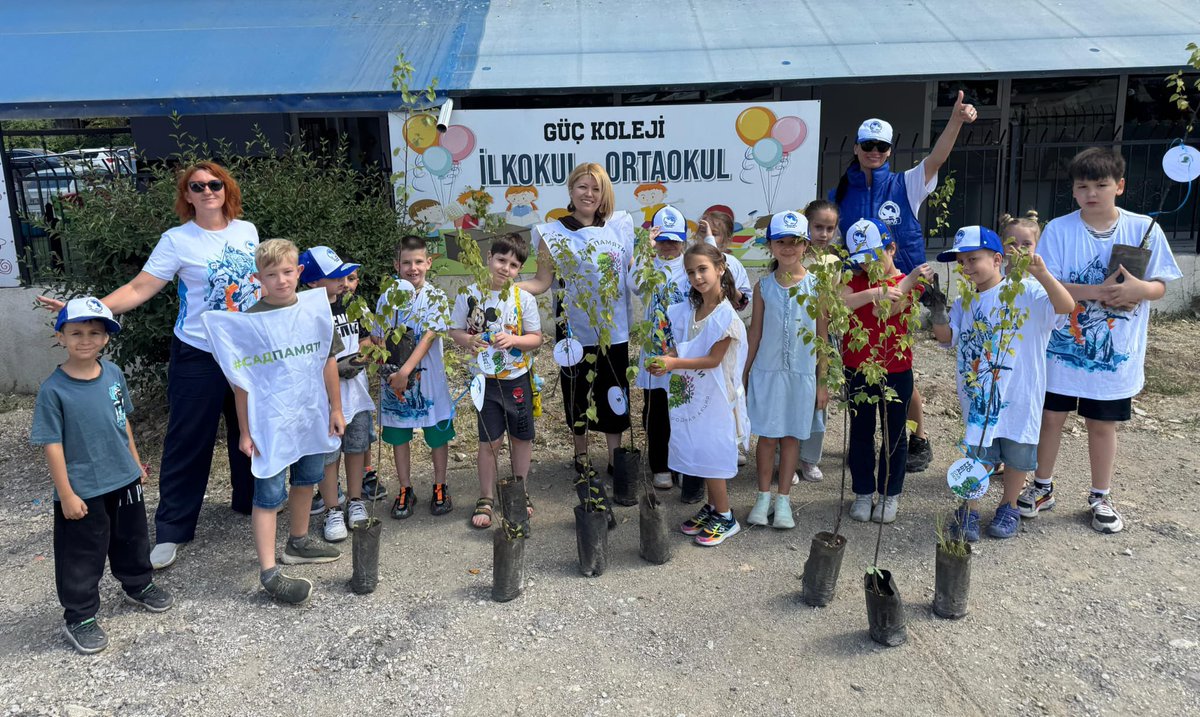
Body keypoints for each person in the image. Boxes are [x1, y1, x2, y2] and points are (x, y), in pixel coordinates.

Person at [37, 162, 261, 570]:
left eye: (215, 184)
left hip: (245, 349)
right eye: (198, 186)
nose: (208, 190)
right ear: (187, 195)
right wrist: (86, 310)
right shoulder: (177, 240)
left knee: (251, 428)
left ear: (226, 189)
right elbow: (140, 287)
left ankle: (250, 503)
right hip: (198, 351)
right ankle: (173, 529)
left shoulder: (247, 231)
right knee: (187, 439)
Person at [1029, 148, 1182, 534]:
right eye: (1083, 186)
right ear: (1074, 191)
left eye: (1101, 185)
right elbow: (1049, 285)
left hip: (1118, 350)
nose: (1092, 193)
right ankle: (1042, 486)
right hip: (1061, 349)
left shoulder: (1144, 227)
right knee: (1050, 418)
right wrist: (1097, 291)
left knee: (1102, 424)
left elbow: (1161, 285)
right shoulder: (1059, 230)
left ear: (1120, 186)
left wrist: (1139, 289)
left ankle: (1100, 495)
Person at [829, 95, 978, 475]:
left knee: (898, 367)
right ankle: (863, 442)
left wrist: (956, 121)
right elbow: (829, 236)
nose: (874, 151)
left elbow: (938, 158)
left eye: (881, 146)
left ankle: (918, 437)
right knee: (861, 364)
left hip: (904, 287)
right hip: (860, 293)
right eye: (868, 145)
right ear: (857, 147)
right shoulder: (841, 193)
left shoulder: (906, 184)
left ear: (890, 150)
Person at [31, 298, 175, 654]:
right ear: (60, 336)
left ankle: (138, 584)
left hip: (123, 478)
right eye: (76, 332)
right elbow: (51, 444)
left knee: (132, 537)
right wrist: (65, 493)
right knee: (82, 552)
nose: (85, 339)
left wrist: (136, 463)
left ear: (107, 338)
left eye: (94, 332)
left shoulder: (112, 374)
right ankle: (79, 615)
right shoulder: (54, 390)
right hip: (83, 488)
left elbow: (121, 420)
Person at [931, 226, 1073, 540]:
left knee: (1017, 453)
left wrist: (1044, 275)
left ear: (997, 259)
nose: (967, 268)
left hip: (1019, 393)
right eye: (961, 262)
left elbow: (1066, 307)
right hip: (979, 397)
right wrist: (937, 310)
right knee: (978, 454)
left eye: (973, 259)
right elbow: (947, 338)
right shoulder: (966, 301)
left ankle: (1008, 506)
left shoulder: (1026, 291)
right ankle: (968, 508)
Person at [232, 239, 344, 605]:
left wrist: (335, 408)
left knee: (307, 478)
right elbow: (242, 382)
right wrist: (245, 431)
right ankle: (269, 572)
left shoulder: (316, 311)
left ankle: (298, 542)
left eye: (287, 272)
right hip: (270, 422)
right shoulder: (250, 321)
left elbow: (329, 362)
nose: (280, 280)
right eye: (271, 274)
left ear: (299, 273)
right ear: (258, 278)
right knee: (267, 494)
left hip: (310, 414)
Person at [520, 163, 634, 482]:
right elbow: (542, 282)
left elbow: (632, 273)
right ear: (571, 190)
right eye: (583, 187)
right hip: (572, 330)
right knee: (577, 393)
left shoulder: (619, 227)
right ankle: (581, 456)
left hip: (613, 331)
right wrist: (507, 287)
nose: (589, 194)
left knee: (614, 392)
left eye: (596, 189)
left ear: (603, 194)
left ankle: (615, 457)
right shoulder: (551, 233)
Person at [647, 243, 748, 546]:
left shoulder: (726, 317)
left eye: (703, 269)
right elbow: (683, 347)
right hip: (693, 393)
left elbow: (713, 360)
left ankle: (727, 516)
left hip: (717, 397)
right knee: (697, 449)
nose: (697, 276)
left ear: (720, 268)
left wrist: (673, 363)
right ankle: (713, 507)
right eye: (691, 271)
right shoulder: (688, 311)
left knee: (712, 454)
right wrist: (667, 359)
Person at [841, 219, 933, 523]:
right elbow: (839, 305)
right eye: (861, 260)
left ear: (891, 248)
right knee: (861, 431)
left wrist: (905, 282)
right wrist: (871, 292)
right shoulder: (854, 279)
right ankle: (864, 492)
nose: (868, 266)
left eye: (874, 257)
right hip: (857, 367)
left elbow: (887, 311)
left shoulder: (912, 281)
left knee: (895, 433)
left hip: (896, 368)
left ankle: (889, 494)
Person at [450, 233, 543, 529]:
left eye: (514, 265)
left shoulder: (523, 298)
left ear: (519, 270)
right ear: (489, 257)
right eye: (501, 260)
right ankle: (486, 497)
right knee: (489, 441)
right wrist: (470, 339)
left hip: (517, 381)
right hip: (486, 382)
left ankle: (519, 490)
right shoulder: (469, 293)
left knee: (522, 438)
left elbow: (536, 338)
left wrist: (514, 339)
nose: (505, 268)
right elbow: (454, 332)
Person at [744, 211, 828, 530]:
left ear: (805, 246)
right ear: (771, 246)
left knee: (792, 436)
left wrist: (822, 382)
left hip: (801, 376)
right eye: (781, 242)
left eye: (795, 242)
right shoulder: (763, 286)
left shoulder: (817, 286)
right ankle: (762, 496)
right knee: (767, 437)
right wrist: (745, 371)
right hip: (767, 372)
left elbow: (822, 337)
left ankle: (784, 501)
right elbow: (755, 333)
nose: (788, 248)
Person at [298, 246, 375, 543]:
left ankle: (355, 499)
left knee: (355, 447)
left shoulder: (353, 305)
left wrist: (362, 357)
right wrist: (333, 367)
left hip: (356, 393)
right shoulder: (306, 311)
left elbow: (368, 338)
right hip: (324, 399)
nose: (344, 283)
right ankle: (332, 507)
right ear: (313, 282)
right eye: (335, 278)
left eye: (345, 276)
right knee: (329, 454)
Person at [376, 236, 455, 520]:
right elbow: (380, 337)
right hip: (394, 382)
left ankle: (440, 484)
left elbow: (429, 338)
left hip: (428, 380)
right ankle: (405, 488)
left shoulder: (436, 297)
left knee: (437, 434)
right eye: (406, 262)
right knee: (399, 436)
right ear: (397, 264)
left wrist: (406, 372)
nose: (413, 268)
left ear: (428, 263)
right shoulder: (387, 297)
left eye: (418, 262)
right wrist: (387, 369)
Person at [632, 206, 691, 491]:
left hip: (681, 353)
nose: (668, 246)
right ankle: (660, 465)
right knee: (655, 410)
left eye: (674, 240)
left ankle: (681, 461)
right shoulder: (649, 265)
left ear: (683, 241)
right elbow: (633, 283)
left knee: (681, 407)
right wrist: (645, 249)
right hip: (654, 351)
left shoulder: (689, 267)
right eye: (663, 239)